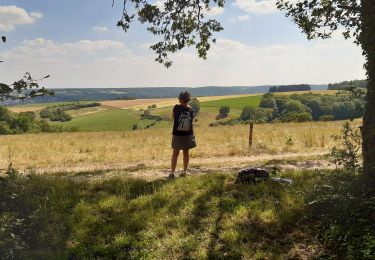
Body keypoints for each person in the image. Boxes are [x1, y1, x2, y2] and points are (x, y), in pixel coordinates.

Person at [169, 91, 196, 179]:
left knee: (175, 154)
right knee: (186, 153)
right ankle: (184, 171)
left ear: (180, 99)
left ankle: (172, 173)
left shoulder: (176, 107)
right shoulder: (191, 109)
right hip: (188, 134)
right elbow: (192, 120)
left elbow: (173, 117)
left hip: (177, 133)